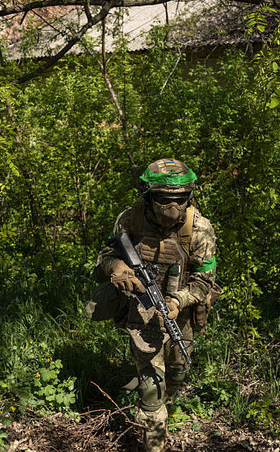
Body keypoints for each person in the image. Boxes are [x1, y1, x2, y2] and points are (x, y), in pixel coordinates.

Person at [86, 158, 219, 452]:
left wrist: (176, 300)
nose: (173, 206)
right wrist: (117, 267)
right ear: (148, 195)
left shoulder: (199, 229)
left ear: (190, 196)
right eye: (163, 199)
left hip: (180, 316)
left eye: (180, 199)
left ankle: (161, 397)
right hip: (140, 314)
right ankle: (152, 429)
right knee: (151, 391)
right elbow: (104, 257)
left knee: (178, 373)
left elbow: (204, 281)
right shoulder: (131, 219)